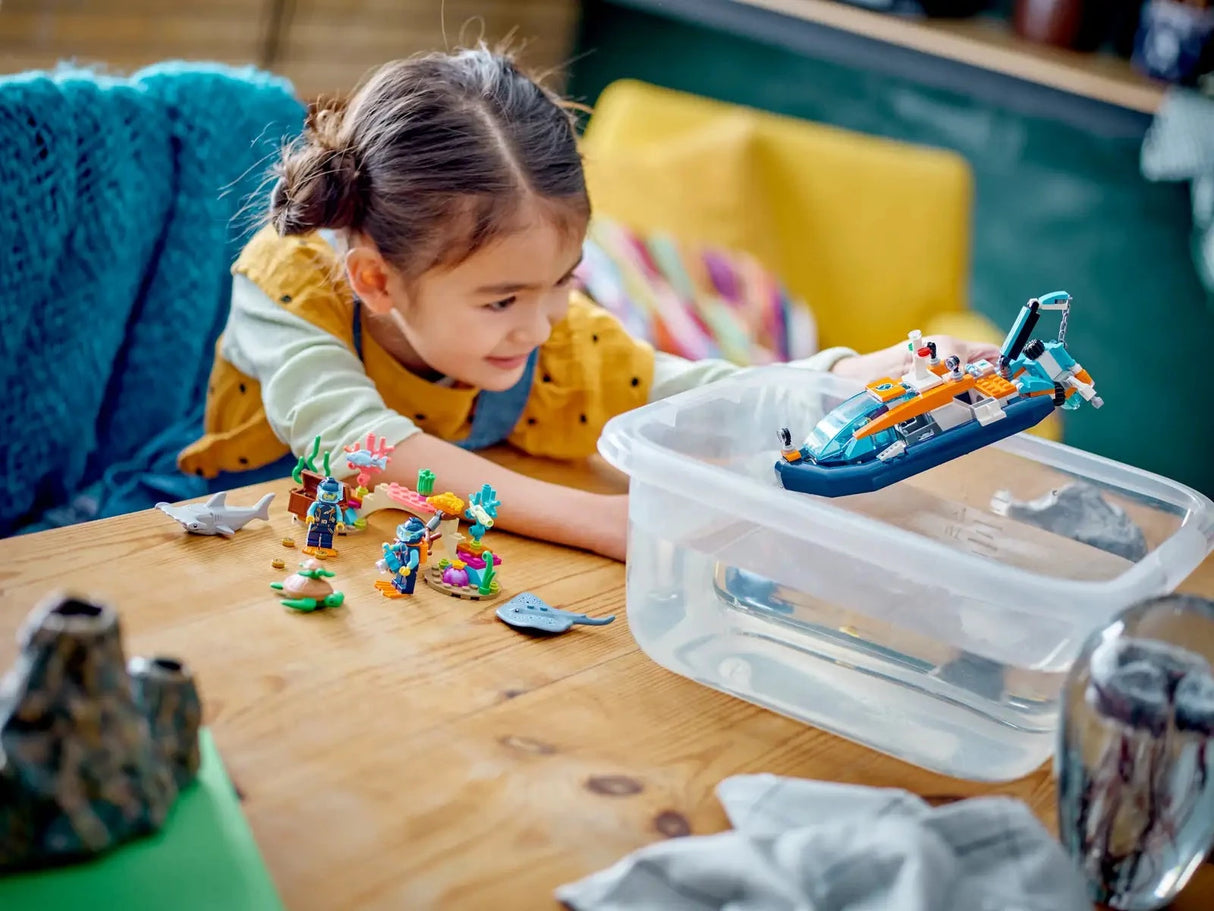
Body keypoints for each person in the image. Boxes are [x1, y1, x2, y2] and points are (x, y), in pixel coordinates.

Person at [178, 45, 998, 562]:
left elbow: (686, 387)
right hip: (257, 543)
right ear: (378, 282)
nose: (541, 326)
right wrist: (608, 524)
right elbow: (358, 446)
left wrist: (848, 377)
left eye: (564, 279)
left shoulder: (544, 333)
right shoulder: (290, 285)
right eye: (502, 299)